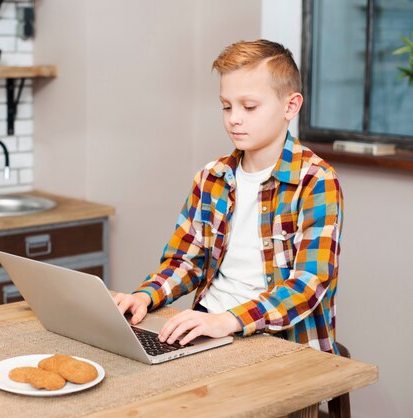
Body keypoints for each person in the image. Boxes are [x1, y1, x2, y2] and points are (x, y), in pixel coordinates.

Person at [114, 39, 344, 354]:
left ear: (290, 106)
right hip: (209, 325)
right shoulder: (211, 177)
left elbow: (307, 285)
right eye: (226, 106)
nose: (234, 118)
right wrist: (145, 296)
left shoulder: (316, 182)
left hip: (280, 342)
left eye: (249, 107)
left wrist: (229, 320)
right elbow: (186, 261)